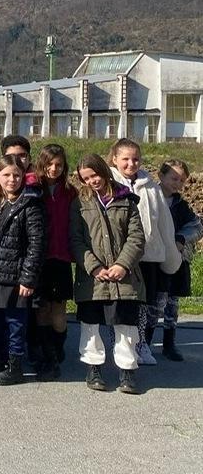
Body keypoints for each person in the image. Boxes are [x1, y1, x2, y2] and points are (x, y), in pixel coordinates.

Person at [71, 154, 145, 394]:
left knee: (125, 325)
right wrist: (94, 267)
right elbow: (76, 240)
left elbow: (136, 237)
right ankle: (94, 368)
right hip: (92, 279)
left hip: (124, 277)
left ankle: (127, 372)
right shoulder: (79, 203)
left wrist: (123, 265)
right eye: (86, 178)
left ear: (104, 170)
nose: (92, 181)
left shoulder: (126, 200)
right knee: (90, 325)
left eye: (95, 175)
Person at [107, 138, 180, 366]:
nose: (131, 164)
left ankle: (141, 343)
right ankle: (119, 343)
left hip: (148, 254)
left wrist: (170, 252)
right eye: (126, 159)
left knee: (145, 303)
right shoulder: (110, 183)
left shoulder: (151, 186)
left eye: (135, 159)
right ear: (115, 159)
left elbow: (164, 222)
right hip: (120, 256)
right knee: (121, 303)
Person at [0, 155, 45, 386]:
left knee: (15, 323)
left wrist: (28, 278)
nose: (12, 179)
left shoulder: (30, 203)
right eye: (6, 175)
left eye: (16, 175)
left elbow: (36, 244)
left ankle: (15, 366)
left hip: (17, 276)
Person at [32, 144, 75, 380]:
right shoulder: (33, 188)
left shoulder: (70, 192)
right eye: (49, 164)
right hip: (39, 258)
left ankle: (58, 349)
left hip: (61, 257)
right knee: (41, 309)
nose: (54, 169)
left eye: (59, 165)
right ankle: (47, 356)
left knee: (58, 310)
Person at [156, 159, 199, 362]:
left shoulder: (181, 205)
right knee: (154, 303)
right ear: (161, 176)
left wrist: (181, 238)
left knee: (172, 303)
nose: (177, 183)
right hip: (154, 260)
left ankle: (169, 343)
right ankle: (144, 341)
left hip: (177, 260)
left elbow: (197, 225)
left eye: (182, 180)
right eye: (174, 178)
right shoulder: (150, 199)